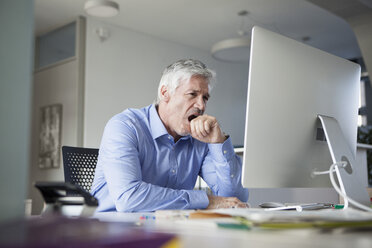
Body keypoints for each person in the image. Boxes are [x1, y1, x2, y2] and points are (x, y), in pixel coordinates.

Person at [91, 59, 249, 212]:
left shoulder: (200, 139)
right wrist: (206, 200)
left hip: (167, 227)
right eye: (192, 94)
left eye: (205, 97)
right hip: (111, 228)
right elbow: (129, 198)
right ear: (165, 93)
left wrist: (218, 142)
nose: (201, 106)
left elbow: (234, 199)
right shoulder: (125, 126)